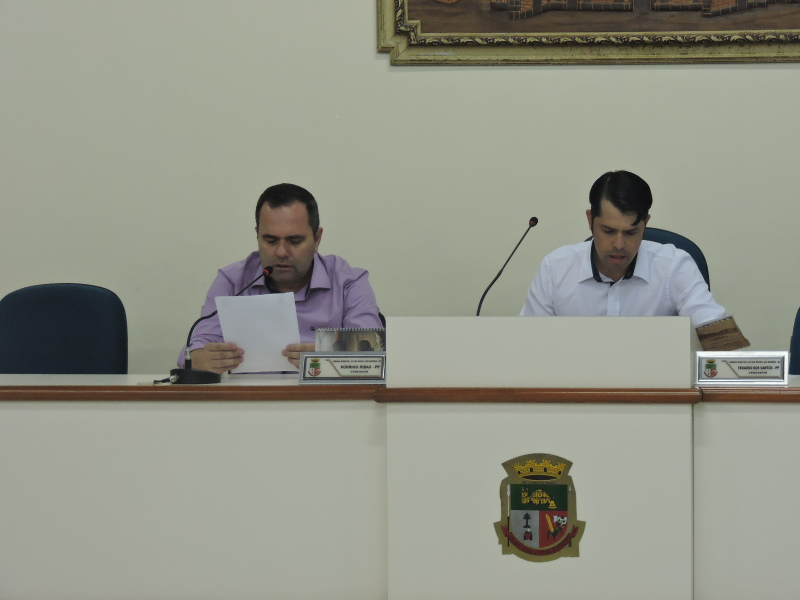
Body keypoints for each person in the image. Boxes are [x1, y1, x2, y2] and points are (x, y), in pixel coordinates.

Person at [179, 183, 382, 372]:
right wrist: (200, 360)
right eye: (270, 240)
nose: (281, 252)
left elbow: (373, 354)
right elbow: (192, 352)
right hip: (249, 396)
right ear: (257, 235)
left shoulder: (348, 283)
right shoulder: (233, 282)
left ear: (317, 238)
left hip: (324, 396)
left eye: (295, 241)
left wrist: (328, 354)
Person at [520, 170, 728, 328]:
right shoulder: (555, 269)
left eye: (631, 232)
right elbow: (528, 344)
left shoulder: (674, 266)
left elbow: (718, 337)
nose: (619, 245)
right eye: (608, 231)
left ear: (646, 223)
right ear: (590, 220)